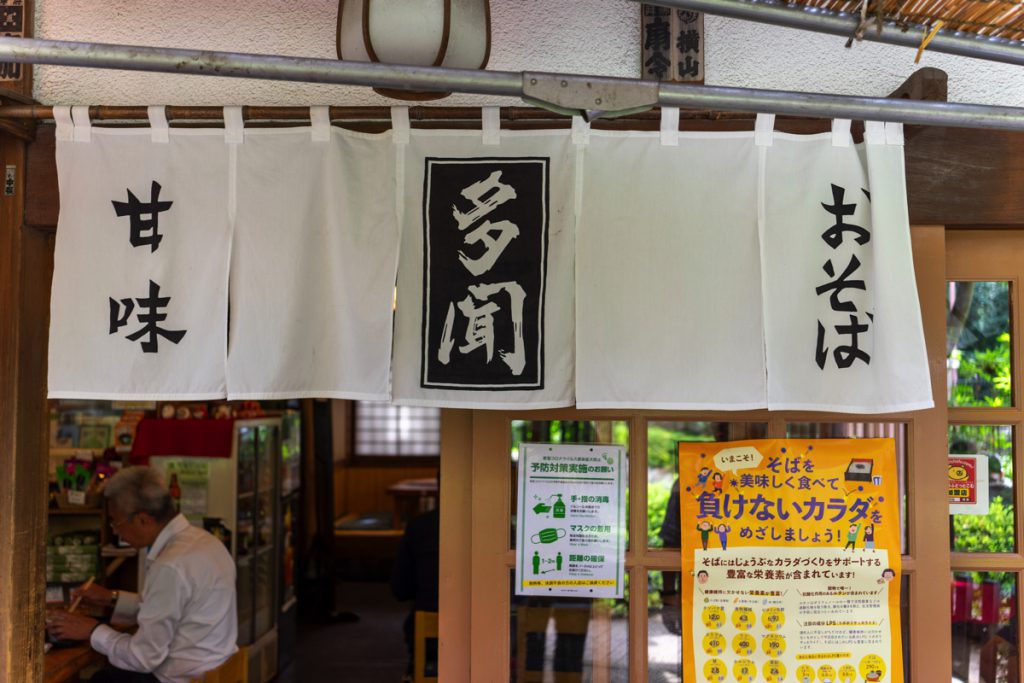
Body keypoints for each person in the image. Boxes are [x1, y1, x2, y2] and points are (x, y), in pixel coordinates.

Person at [47, 466, 237, 683]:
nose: (116, 531)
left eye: (116, 523)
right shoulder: (206, 542)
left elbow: (143, 658)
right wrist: (111, 598)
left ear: (142, 519)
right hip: (213, 668)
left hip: (182, 678)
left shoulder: (171, 564)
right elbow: (168, 608)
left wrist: (92, 631)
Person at [391, 505, 440, 680]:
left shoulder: (419, 526)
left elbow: (400, 589)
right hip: (490, 636)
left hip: (430, 637)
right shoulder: (495, 525)